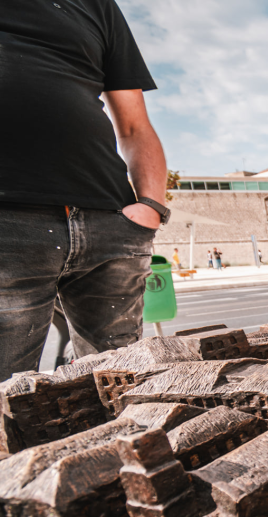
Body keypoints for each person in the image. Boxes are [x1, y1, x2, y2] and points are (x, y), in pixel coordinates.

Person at [0, 0, 168, 379]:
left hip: (109, 221)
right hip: (9, 222)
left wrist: (151, 207)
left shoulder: (95, 5)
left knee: (127, 385)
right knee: (7, 401)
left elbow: (134, 125)